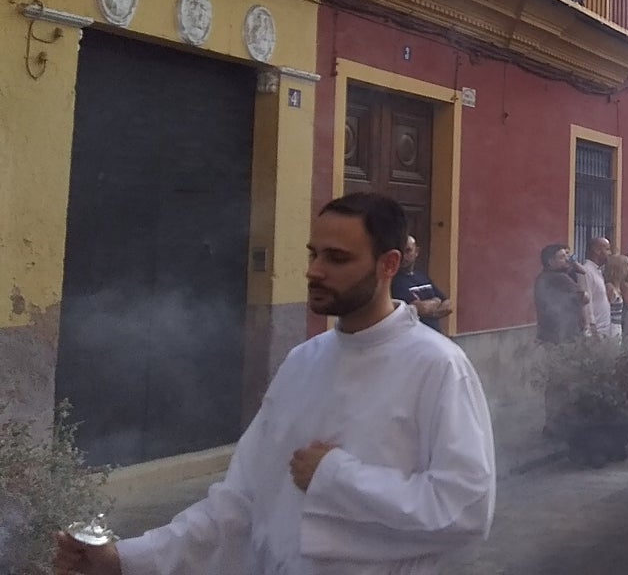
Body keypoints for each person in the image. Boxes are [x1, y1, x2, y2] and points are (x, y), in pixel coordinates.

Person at [54, 191, 495, 575]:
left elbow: (466, 510)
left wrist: (336, 478)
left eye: (337, 258)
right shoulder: (304, 360)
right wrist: (127, 560)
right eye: (313, 253)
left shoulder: (438, 366)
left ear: (389, 264)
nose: (315, 271)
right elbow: (239, 503)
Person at [391, 235, 452, 332]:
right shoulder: (394, 281)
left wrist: (431, 311)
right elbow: (420, 308)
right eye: (400, 251)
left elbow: (448, 305)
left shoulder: (422, 277)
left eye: (408, 251)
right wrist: (436, 300)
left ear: (417, 252)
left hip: (435, 336)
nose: (404, 256)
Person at [533, 243, 587, 344]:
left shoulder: (543, 276)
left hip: (548, 333)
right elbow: (584, 298)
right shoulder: (560, 277)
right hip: (564, 334)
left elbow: (583, 271)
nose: (567, 259)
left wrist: (572, 262)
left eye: (567, 256)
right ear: (551, 262)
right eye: (562, 257)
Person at [581, 237, 614, 337]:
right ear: (597, 251)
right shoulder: (586, 271)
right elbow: (586, 301)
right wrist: (592, 326)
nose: (610, 253)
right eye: (607, 249)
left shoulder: (598, 270)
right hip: (596, 331)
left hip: (604, 329)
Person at [603, 253, 628, 340]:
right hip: (611, 327)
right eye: (626, 266)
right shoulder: (610, 287)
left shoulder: (620, 286)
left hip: (618, 325)